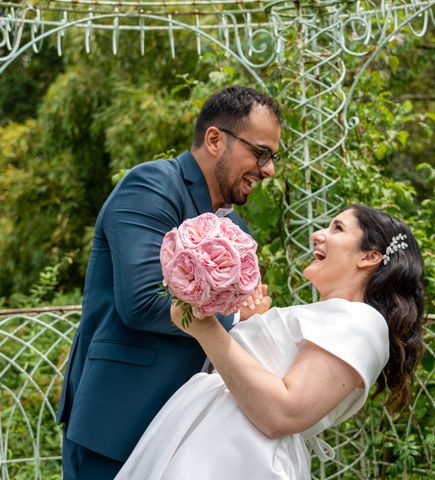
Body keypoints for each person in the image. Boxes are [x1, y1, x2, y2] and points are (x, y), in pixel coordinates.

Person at [56, 85, 283, 479]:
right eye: (260, 153)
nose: (268, 169)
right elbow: (142, 303)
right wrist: (237, 318)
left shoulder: (236, 226)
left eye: (272, 157)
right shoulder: (151, 186)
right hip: (119, 423)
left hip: (189, 439)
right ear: (215, 139)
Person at [115, 204, 425, 479]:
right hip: (212, 441)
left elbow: (283, 413)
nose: (317, 234)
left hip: (241, 458)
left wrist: (206, 328)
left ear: (369, 257)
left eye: (337, 228)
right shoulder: (332, 315)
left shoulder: (362, 323)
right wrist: (251, 323)